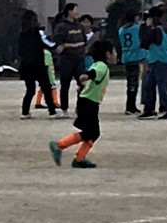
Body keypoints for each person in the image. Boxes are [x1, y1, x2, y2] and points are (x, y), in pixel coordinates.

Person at [49, 38, 117, 168]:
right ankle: (60, 145)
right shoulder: (101, 66)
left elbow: (88, 81)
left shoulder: (96, 64)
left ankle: (79, 158)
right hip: (89, 104)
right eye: (114, 51)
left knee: (93, 132)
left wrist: (82, 85)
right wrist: (85, 76)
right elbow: (91, 74)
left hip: (87, 102)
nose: (116, 54)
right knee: (90, 133)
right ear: (108, 54)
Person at [17, 10, 63, 120]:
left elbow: (19, 51)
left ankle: (25, 112)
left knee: (30, 90)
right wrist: (57, 45)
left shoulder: (21, 34)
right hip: (38, 64)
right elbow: (48, 43)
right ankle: (52, 111)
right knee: (46, 88)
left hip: (26, 64)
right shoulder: (38, 32)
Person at [138, 6, 167, 120]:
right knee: (148, 85)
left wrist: (147, 28)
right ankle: (149, 109)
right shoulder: (166, 29)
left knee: (161, 87)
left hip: (159, 60)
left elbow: (146, 43)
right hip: (159, 60)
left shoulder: (156, 30)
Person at [53, 3, 87, 118]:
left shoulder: (79, 26)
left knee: (83, 83)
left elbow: (84, 41)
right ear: (69, 11)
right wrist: (73, 45)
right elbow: (59, 43)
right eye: (75, 10)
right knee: (65, 85)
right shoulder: (61, 27)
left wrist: (79, 47)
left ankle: (80, 107)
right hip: (66, 59)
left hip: (79, 59)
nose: (77, 12)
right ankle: (64, 109)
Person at [118, 9, 147, 114]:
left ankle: (130, 105)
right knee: (134, 83)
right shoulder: (137, 28)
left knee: (130, 82)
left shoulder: (121, 29)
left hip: (126, 57)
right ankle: (130, 106)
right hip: (137, 57)